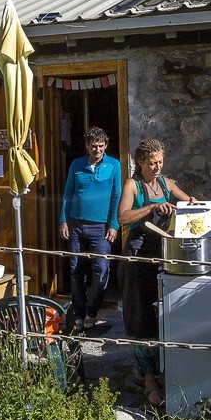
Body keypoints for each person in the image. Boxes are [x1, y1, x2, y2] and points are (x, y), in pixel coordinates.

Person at [118, 137, 196, 409]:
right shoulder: (133, 185)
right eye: (152, 163)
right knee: (140, 318)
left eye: (160, 162)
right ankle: (148, 381)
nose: (157, 167)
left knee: (160, 315)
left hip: (161, 254)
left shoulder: (165, 183)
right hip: (137, 256)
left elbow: (188, 201)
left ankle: (151, 371)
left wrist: (191, 204)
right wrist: (151, 207)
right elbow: (123, 217)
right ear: (140, 162)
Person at [58, 127, 122, 334]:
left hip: (101, 226)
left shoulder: (114, 165)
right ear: (87, 146)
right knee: (76, 270)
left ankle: (92, 312)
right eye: (94, 146)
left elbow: (116, 196)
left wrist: (114, 225)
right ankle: (78, 313)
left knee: (101, 270)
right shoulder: (77, 164)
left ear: (106, 145)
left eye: (101, 146)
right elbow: (68, 193)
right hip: (76, 224)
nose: (97, 149)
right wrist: (63, 220)